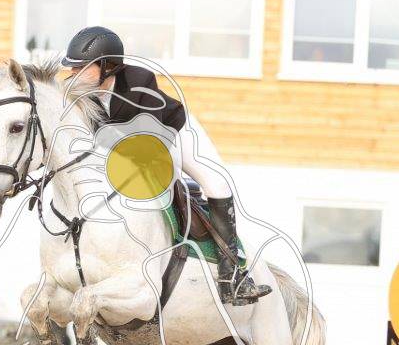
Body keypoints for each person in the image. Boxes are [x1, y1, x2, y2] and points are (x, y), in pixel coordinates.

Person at [61, 25, 270, 306]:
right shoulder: (78, 95)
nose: (73, 74)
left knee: (215, 184)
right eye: (72, 68)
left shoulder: (139, 81)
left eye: (80, 68)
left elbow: (151, 140)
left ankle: (233, 274)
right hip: (124, 150)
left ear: (107, 67)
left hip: (171, 134)